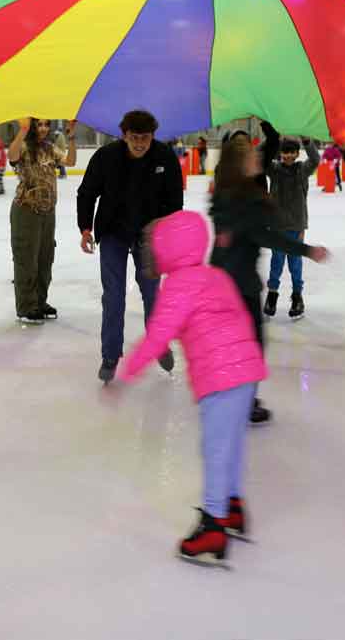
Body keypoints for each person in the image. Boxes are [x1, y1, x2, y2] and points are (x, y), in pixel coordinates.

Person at [117, 210, 267, 565]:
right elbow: (242, 316)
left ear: (167, 249)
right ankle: (232, 508)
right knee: (230, 445)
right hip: (245, 375)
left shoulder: (177, 286)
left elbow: (158, 337)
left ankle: (213, 526)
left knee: (215, 448)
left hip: (220, 380)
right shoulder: (215, 276)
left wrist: (128, 372)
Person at [210, 137, 328, 425]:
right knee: (252, 344)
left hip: (223, 281)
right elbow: (267, 237)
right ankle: (242, 400)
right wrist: (307, 250)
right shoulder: (244, 199)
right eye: (250, 155)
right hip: (238, 285)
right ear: (239, 164)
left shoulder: (228, 193)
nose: (257, 158)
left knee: (238, 343)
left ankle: (231, 394)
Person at [78, 109, 184, 382]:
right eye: (134, 137)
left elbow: (174, 201)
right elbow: (87, 192)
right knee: (114, 296)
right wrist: (85, 228)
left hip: (150, 235)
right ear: (124, 135)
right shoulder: (106, 158)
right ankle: (111, 355)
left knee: (152, 294)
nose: (140, 143)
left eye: (145, 138)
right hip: (113, 232)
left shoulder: (164, 157)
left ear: (153, 136)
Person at [9, 117, 77, 323]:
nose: (44, 129)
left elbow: (71, 161)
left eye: (47, 124)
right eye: (40, 125)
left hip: (48, 211)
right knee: (26, 259)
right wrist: (22, 130)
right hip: (26, 209)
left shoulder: (49, 148)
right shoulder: (24, 147)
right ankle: (26, 306)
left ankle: (39, 301)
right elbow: (11, 156)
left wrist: (71, 137)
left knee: (45, 258)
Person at [264, 137, 320, 319]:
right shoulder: (274, 170)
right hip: (277, 227)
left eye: (291, 152)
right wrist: (271, 138)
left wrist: (306, 141)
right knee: (276, 263)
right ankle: (272, 294)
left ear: (297, 153)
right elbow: (261, 158)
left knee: (295, 264)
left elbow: (315, 160)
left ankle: (297, 297)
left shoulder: (302, 170)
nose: (288, 156)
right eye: (284, 151)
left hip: (296, 226)